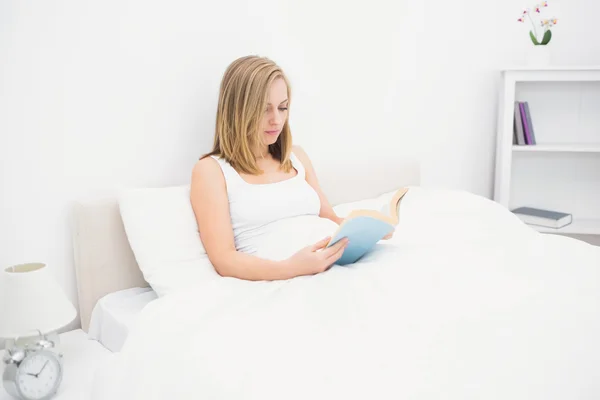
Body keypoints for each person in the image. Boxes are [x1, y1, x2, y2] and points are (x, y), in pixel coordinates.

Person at [190, 55, 392, 281]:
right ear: (238, 110)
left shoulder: (295, 156)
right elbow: (224, 260)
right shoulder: (211, 171)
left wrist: (369, 230)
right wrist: (292, 268)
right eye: (264, 109)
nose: (276, 120)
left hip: (337, 264)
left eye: (283, 107)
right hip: (291, 277)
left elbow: (329, 217)